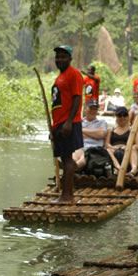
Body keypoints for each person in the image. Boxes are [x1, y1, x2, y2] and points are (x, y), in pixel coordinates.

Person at [50, 45, 84, 203]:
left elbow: (77, 98)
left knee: (68, 160)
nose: (59, 60)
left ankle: (67, 196)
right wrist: (54, 126)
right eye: (57, 57)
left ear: (70, 58)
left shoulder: (74, 74)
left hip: (68, 122)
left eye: (63, 56)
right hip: (59, 122)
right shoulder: (60, 77)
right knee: (65, 159)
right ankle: (66, 193)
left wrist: (69, 122)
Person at [72, 98, 108, 171]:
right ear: (85, 108)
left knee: (84, 157)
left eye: (95, 109)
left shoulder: (102, 122)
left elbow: (101, 134)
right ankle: (71, 168)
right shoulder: (79, 122)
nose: (93, 111)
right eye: (91, 108)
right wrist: (94, 134)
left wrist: (82, 130)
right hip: (81, 147)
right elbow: (76, 136)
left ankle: (71, 170)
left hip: (95, 149)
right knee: (75, 154)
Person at [105, 106, 138, 176]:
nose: (122, 118)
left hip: (128, 149)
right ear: (116, 117)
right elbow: (107, 144)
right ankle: (119, 168)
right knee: (108, 150)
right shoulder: (111, 130)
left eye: (124, 115)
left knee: (133, 148)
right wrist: (114, 147)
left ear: (128, 117)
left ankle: (133, 170)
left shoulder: (133, 130)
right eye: (119, 115)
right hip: (114, 149)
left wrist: (128, 147)